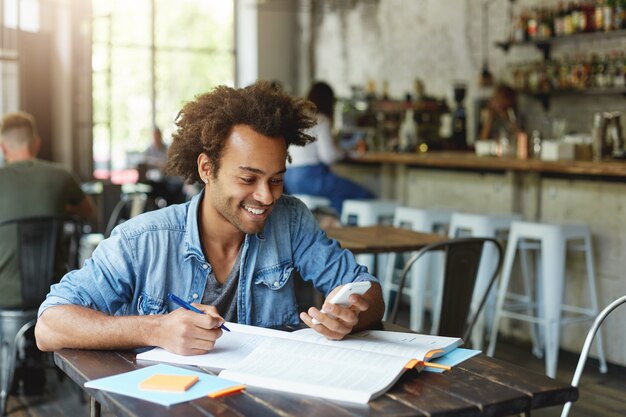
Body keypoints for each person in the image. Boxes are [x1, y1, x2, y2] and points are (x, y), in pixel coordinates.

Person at [35, 82, 385, 356]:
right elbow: (50, 326)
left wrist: (352, 315)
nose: (267, 196)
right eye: (248, 179)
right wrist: (154, 329)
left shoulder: (290, 221)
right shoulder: (143, 240)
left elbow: (367, 291)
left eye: (276, 179)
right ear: (207, 169)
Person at [0, 111, 94, 395]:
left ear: (3, 148)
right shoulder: (60, 176)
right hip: (52, 291)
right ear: (36, 143)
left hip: (4, 295)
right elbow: (89, 213)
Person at [284, 81, 375, 215]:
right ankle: (350, 230)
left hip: (290, 180)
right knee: (363, 195)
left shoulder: (297, 120)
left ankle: (336, 223)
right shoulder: (321, 120)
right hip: (311, 180)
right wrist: (343, 153)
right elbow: (328, 156)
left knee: (337, 196)